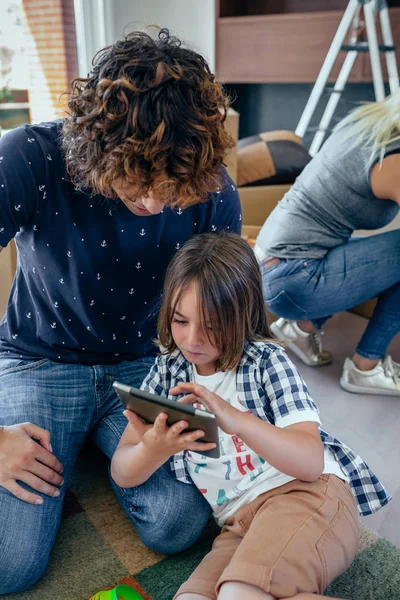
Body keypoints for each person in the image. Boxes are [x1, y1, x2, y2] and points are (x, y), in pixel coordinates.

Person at [0, 29, 241, 594]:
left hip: (144, 370)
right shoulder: (29, 157)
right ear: (94, 147)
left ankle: (88, 444)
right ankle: (77, 443)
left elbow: (227, 321)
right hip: (39, 359)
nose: (155, 205)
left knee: (180, 523)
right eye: (137, 182)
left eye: (171, 189)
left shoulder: (212, 186)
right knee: (10, 565)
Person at [111, 232, 390, 600]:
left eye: (211, 326)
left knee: (240, 593)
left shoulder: (265, 362)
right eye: (181, 320)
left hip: (305, 496)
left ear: (242, 315)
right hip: (238, 524)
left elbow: (309, 462)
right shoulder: (167, 372)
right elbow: (122, 471)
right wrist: (153, 448)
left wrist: (236, 419)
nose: (193, 339)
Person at [256, 91, 400, 396]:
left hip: (273, 265)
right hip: (294, 277)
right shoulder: (393, 158)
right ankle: (366, 367)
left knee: (376, 251)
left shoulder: (367, 123)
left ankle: (301, 327)